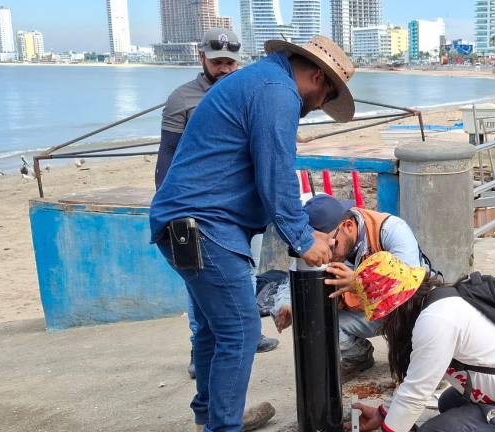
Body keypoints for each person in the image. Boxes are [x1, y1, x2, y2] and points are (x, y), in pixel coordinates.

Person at [149, 35, 355, 432]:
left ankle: (211, 416)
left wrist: (300, 228)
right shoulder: (278, 92)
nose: (315, 109)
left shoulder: (262, 82)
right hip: (204, 225)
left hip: (188, 223)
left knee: (215, 328)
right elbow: (276, 173)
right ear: (317, 77)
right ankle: (222, 425)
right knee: (242, 331)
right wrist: (302, 237)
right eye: (323, 98)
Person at [154, 28, 278, 381]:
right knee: (200, 284)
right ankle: (200, 348)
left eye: (229, 63)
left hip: (235, 208)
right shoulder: (183, 99)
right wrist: (169, 205)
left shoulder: (244, 92)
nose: (224, 69)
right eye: (217, 62)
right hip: (194, 209)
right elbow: (167, 155)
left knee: (243, 271)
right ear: (202, 58)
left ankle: (245, 335)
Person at [350, 252, 495, 432]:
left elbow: (416, 393)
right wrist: (383, 414)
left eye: (382, 315)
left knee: (438, 429)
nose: (383, 324)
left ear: (394, 307)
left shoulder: (435, 320)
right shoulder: (439, 299)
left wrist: (392, 427)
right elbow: (418, 378)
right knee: (449, 401)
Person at [272, 194, 422, 380]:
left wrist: (361, 282)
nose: (325, 255)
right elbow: (291, 281)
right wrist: (287, 305)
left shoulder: (391, 230)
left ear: (348, 226)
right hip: (364, 313)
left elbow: (411, 284)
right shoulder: (319, 245)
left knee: (414, 368)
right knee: (318, 323)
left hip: (402, 309)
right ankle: (358, 356)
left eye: (331, 247)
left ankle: (422, 362)